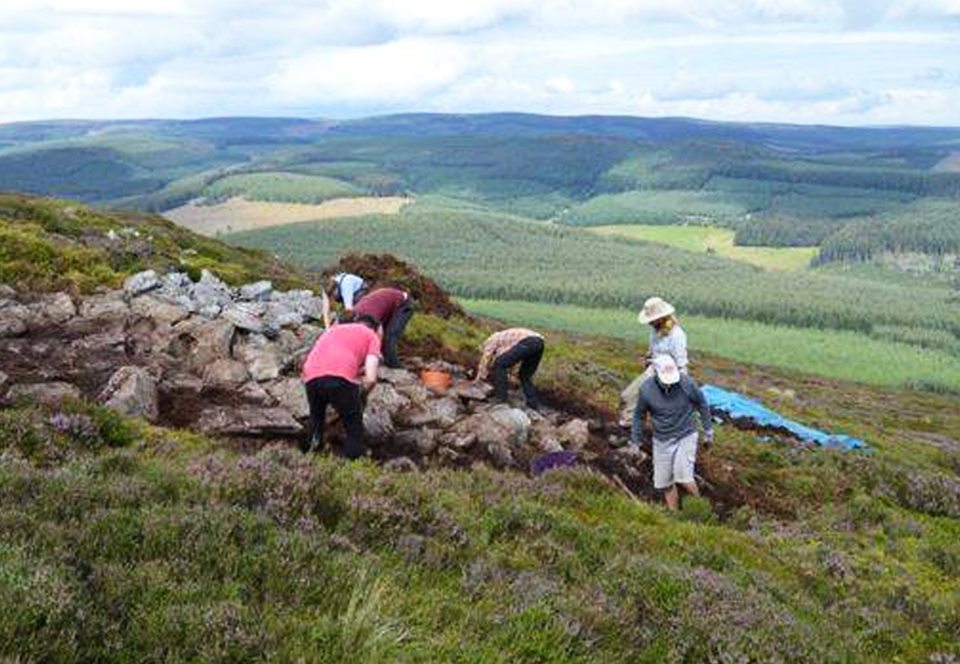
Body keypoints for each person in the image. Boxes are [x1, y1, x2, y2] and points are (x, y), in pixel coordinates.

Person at [631, 354, 714, 511]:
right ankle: (675, 515)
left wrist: (708, 431)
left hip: (686, 434)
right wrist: (635, 441)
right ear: (656, 373)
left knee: (683, 477)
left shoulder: (687, 384)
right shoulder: (646, 389)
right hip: (661, 438)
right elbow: (638, 415)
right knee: (665, 482)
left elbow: (702, 404)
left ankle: (702, 509)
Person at [301, 314, 382, 459]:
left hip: (311, 376)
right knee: (353, 426)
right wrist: (360, 396)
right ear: (375, 329)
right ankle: (353, 467)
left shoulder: (333, 330)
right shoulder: (371, 336)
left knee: (316, 419)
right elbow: (370, 379)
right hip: (340, 378)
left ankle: (309, 458)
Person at [619, 296, 689, 426]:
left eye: (652, 319)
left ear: (661, 318)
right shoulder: (655, 331)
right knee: (627, 396)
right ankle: (629, 426)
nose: (649, 322)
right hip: (654, 369)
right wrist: (648, 358)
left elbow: (681, 364)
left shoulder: (677, 335)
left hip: (669, 373)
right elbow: (653, 351)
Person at [475, 328, 544, 410]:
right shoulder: (504, 343)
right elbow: (510, 361)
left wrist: (480, 377)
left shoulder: (491, 340)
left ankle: (501, 397)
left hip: (529, 341)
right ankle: (532, 405)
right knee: (525, 375)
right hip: (539, 343)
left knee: (499, 364)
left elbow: (485, 358)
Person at [354, 287, 414, 369]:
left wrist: (376, 352)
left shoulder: (372, 316)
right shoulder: (354, 315)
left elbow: (379, 334)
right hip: (385, 305)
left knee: (390, 337)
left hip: (403, 303)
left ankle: (395, 367)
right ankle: (382, 361)